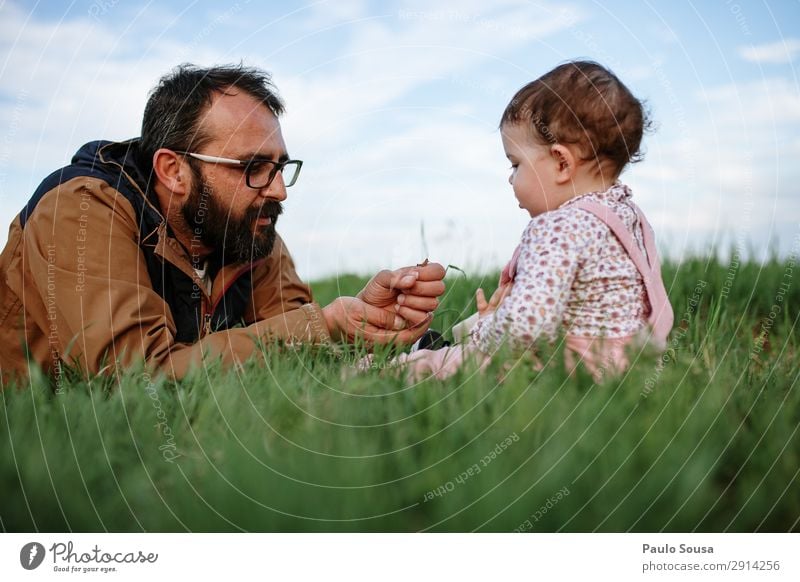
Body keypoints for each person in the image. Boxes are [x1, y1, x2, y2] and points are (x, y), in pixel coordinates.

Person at [0, 64, 445, 387]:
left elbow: (293, 340)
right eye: (252, 167)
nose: (278, 191)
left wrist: (362, 325)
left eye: (279, 168)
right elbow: (132, 379)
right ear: (174, 170)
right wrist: (321, 326)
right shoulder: (80, 210)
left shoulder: (246, 228)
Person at [391, 60, 674, 381]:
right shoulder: (627, 216)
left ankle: (385, 370)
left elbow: (524, 327)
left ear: (561, 163)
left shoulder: (559, 226)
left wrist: (485, 330)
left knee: (449, 362)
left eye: (515, 164)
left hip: (567, 367)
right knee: (476, 329)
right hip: (628, 363)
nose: (511, 179)